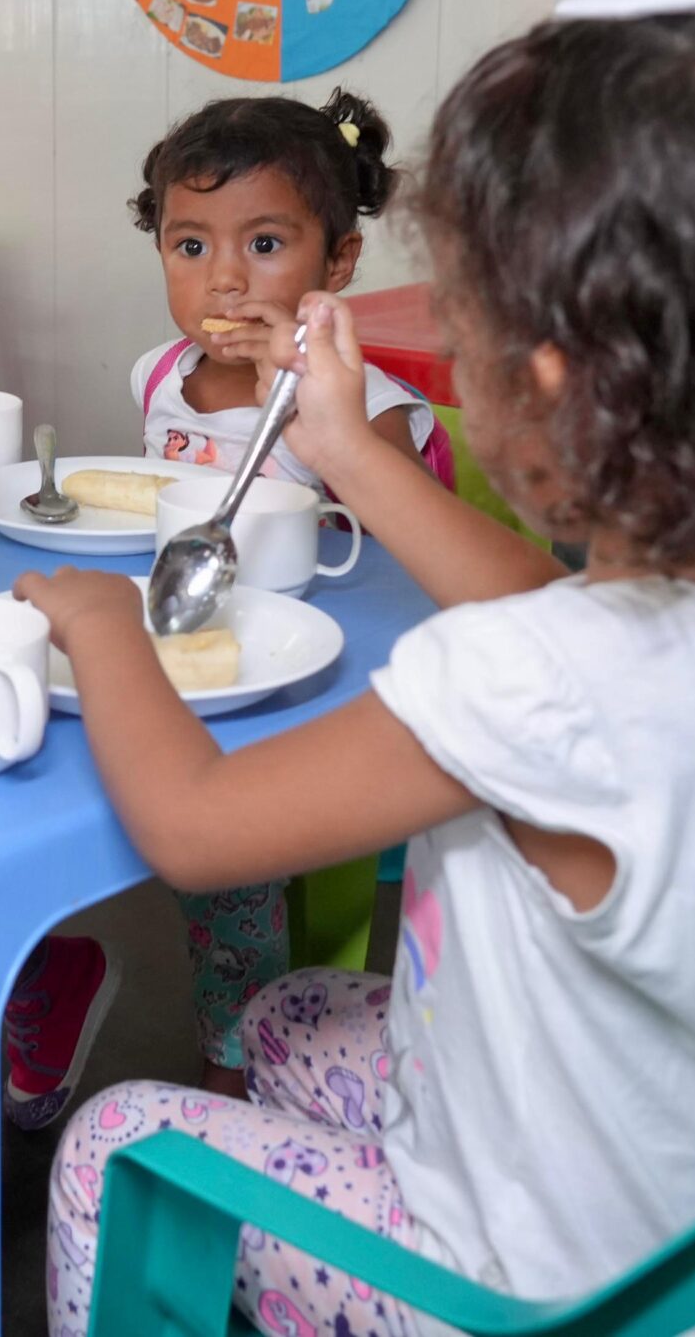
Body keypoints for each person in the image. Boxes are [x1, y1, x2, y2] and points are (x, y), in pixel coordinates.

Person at [28, 0, 695, 1336]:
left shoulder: (534, 682)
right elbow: (551, 596)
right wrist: (345, 449)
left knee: (121, 1140)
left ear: (550, 375)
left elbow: (199, 829)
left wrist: (102, 626)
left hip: (530, 1293)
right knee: (282, 1015)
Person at [127, 90, 447, 1104]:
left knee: (231, 869)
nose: (223, 277)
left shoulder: (363, 407)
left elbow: (415, 559)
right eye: (189, 246)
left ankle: (235, 1052)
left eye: (264, 243)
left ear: (337, 264)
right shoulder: (158, 379)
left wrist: (327, 431)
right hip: (195, 661)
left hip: (310, 694)